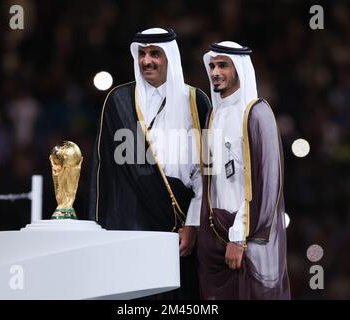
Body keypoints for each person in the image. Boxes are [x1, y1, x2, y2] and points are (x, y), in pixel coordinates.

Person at [89, 28, 211, 299]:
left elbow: (206, 174)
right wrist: (97, 231)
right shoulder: (118, 101)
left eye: (155, 53)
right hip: (129, 224)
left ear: (170, 58)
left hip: (177, 227)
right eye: (142, 54)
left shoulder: (196, 101)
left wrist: (193, 225)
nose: (147, 61)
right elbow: (103, 174)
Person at [197, 41, 290, 299]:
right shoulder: (213, 116)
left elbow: (268, 183)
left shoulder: (258, 113)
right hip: (215, 237)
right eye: (212, 66)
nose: (215, 72)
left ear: (239, 68)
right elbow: (210, 181)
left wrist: (239, 236)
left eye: (223, 65)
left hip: (244, 239)